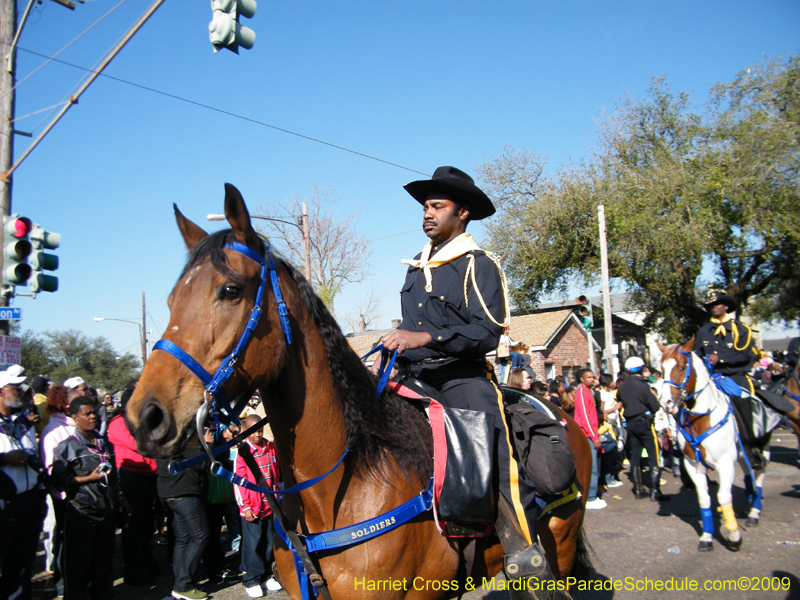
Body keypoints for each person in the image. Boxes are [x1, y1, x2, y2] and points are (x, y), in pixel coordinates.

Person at [380, 165, 560, 593]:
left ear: (462, 213)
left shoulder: (478, 264)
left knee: (485, 429)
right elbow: (408, 329)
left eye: (436, 206)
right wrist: (390, 354)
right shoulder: (414, 267)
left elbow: (488, 332)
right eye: (425, 206)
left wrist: (426, 336)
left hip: (461, 375)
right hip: (414, 373)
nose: (427, 213)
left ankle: (522, 547)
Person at [51, 396, 119, 600]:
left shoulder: (104, 443)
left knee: (104, 563)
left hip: (106, 509)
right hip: (82, 512)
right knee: (78, 566)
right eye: (86, 414)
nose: (92, 417)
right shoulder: (67, 446)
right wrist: (88, 478)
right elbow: (59, 480)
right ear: (74, 417)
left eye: (93, 413)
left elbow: (114, 476)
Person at [107, 383, 161, 586]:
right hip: (132, 478)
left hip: (148, 476)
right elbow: (141, 445)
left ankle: (146, 564)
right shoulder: (118, 423)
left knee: (146, 525)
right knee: (134, 528)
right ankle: (135, 571)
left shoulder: (139, 421)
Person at [0, 367, 46, 600]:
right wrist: (2, 459)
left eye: (21, 387)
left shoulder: (25, 422)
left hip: (28, 503)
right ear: (0, 392)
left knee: (23, 561)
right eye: (14, 387)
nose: (20, 391)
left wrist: (40, 496)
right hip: (4, 505)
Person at [694, 290, 761, 441]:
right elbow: (696, 354)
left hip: (735, 377)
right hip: (712, 378)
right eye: (711, 305)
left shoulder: (741, 329)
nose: (714, 307)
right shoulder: (703, 331)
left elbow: (746, 355)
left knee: (744, 405)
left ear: (726, 306)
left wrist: (720, 358)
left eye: (717, 303)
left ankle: (752, 444)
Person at [234, 415, 282, 598]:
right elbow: (238, 482)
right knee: (252, 543)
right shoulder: (243, 452)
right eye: (253, 430)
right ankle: (251, 579)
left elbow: (275, 472)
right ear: (246, 431)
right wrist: (245, 507)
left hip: (269, 504)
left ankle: (266, 575)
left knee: (268, 540)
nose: (257, 434)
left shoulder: (269, 446)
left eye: (260, 430)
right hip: (252, 506)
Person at [157, 440, 211, 600]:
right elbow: (202, 463)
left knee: (184, 539)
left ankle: (180, 583)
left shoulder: (165, 434)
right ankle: (184, 585)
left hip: (169, 491)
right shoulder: (185, 438)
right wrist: (208, 444)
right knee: (200, 535)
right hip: (184, 491)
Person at [39, 384, 76, 595]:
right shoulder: (52, 431)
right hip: (64, 495)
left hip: (81, 493)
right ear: (65, 404)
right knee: (64, 540)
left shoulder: (74, 426)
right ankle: (63, 584)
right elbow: (50, 466)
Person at [617, 356, 667, 501]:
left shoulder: (622, 386)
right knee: (654, 456)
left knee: (635, 456)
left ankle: (638, 489)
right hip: (645, 423)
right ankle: (655, 490)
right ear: (641, 369)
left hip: (631, 424)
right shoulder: (643, 385)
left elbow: (621, 400)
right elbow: (654, 406)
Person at [573, 369, 605, 509]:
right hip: (586, 434)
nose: (592, 379)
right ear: (582, 379)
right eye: (589, 377)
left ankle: (591, 493)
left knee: (592, 465)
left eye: (593, 377)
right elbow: (585, 417)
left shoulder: (588, 391)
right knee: (590, 466)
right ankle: (590, 497)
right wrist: (594, 436)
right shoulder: (582, 392)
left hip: (591, 433)